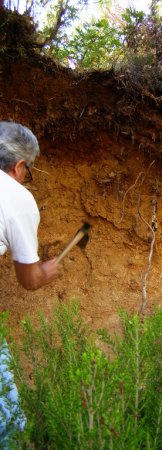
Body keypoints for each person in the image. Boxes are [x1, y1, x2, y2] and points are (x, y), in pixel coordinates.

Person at [0, 120, 59, 446]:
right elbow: (30, 279)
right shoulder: (14, 195)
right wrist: (47, 270)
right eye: (28, 171)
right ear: (19, 165)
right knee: (6, 422)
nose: (26, 178)